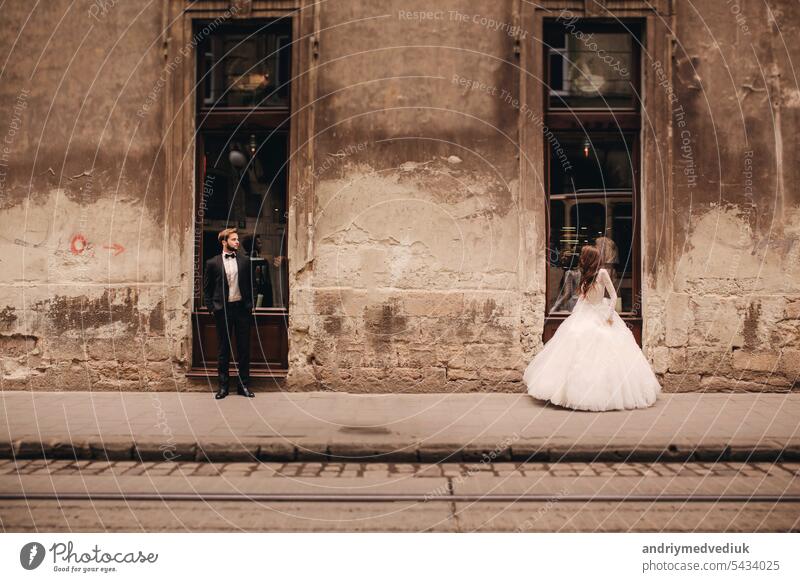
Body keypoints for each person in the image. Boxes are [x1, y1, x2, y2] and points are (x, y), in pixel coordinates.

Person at [523, 245, 660, 411]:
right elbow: (582, 298)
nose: (580, 257)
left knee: (605, 343)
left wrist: (608, 316)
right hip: (585, 311)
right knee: (574, 338)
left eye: (583, 255)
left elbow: (613, 295)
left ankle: (604, 392)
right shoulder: (583, 274)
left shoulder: (602, 273)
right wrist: (574, 314)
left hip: (601, 313)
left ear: (588, 258)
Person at [203, 228, 255, 399]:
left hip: (242, 310)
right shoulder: (212, 263)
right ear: (224, 242)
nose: (237, 242)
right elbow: (207, 289)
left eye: (237, 239)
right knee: (223, 350)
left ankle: (243, 386)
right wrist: (212, 308)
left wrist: (250, 305)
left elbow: (251, 285)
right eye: (233, 239)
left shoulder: (245, 261)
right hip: (223, 311)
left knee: (244, 349)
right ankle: (223, 387)